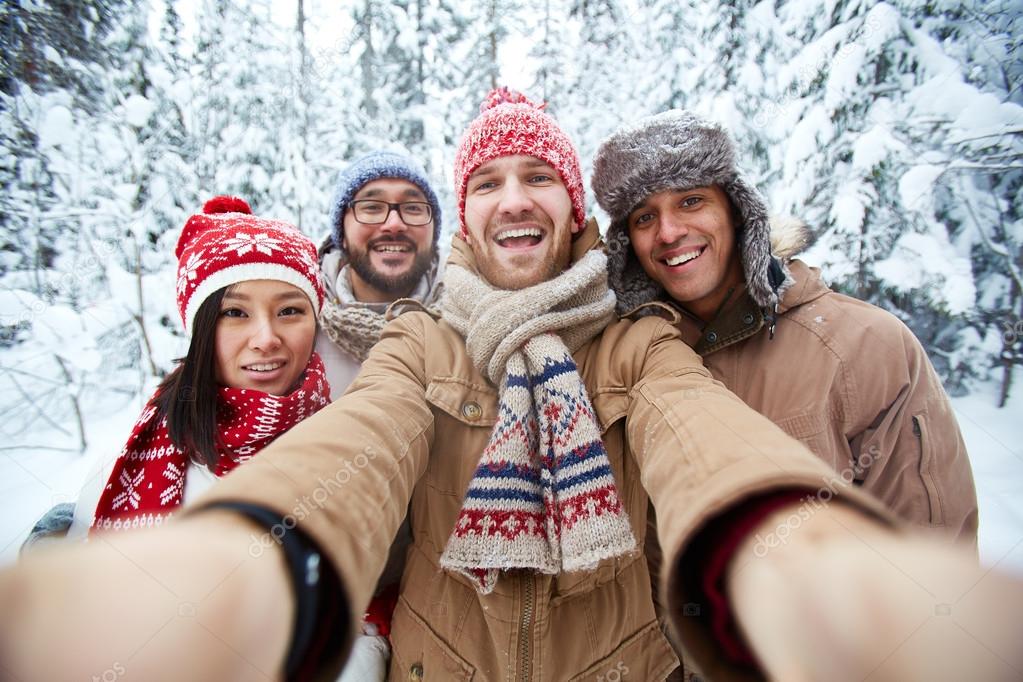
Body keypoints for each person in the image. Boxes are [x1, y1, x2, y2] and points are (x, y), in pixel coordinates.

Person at [3, 91, 1021, 682]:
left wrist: (788, 544)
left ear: (574, 211)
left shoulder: (634, 341)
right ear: (469, 219)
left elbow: (704, 434)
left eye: (537, 176)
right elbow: (354, 449)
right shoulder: (422, 343)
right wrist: (248, 553)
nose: (513, 197)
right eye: (487, 182)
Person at [592, 109, 977, 545]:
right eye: (644, 217)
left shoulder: (866, 345)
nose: (668, 232)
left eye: (691, 201)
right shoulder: (626, 361)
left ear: (736, 210)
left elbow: (928, 556)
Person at [30, 196, 330, 540]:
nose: (266, 338)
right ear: (198, 330)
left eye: (289, 311)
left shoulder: (353, 443)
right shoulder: (123, 473)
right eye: (234, 313)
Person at [316, 150, 444, 398]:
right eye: (372, 207)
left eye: (413, 208)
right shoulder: (298, 322)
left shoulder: (471, 322)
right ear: (340, 231)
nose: (394, 223)